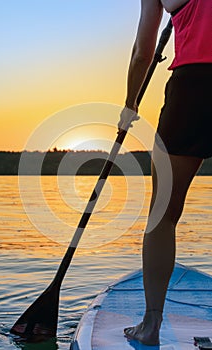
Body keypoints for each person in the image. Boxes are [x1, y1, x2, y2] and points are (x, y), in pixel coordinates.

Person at [118, 0, 212, 346]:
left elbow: (143, 52)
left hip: (193, 88)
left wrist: (131, 103)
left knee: (163, 214)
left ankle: (151, 323)